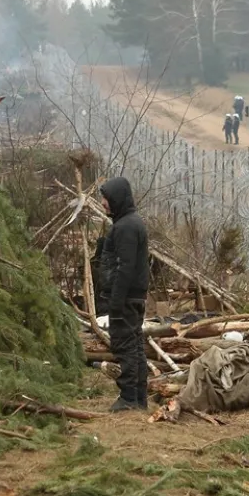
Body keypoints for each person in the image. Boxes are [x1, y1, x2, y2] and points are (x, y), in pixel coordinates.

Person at [97, 176, 150, 412]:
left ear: (117, 199)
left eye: (106, 199)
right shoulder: (127, 223)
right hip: (132, 297)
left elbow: (125, 267)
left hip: (126, 299)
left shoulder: (127, 226)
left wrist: (116, 303)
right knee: (135, 346)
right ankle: (138, 398)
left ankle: (129, 398)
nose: (103, 204)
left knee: (126, 346)